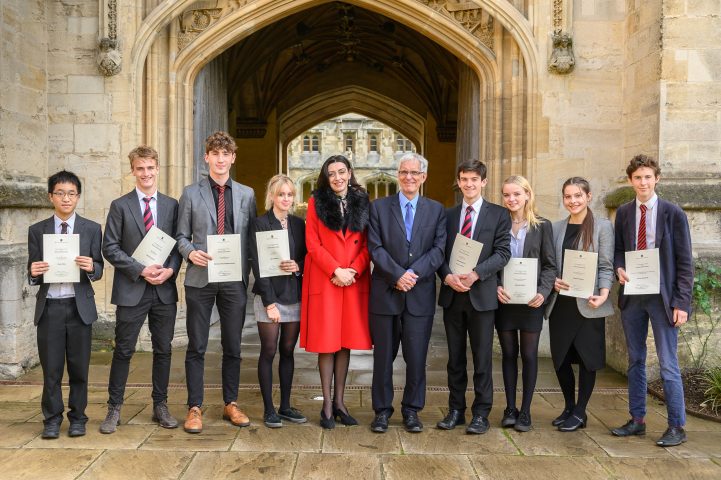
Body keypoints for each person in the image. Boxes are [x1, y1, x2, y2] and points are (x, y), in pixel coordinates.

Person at [176, 131, 257, 433]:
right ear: (206, 157)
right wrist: (190, 252)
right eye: (215, 154)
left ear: (233, 158)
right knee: (197, 345)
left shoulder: (247, 194)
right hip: (200, 278)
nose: (221, 159)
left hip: (234, 279)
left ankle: (231, 404)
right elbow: (181, 236)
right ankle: (194, 407)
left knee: (233, 345)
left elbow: (251, 236)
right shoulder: (190, 193)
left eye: (226, 154)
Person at [611, 154, 693, 447]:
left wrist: (682, 302)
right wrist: (619, 267)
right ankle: (637, 420)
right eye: (637, 178)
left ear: (656, 178)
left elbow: (685, 262)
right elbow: (619, 250)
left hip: (663, 298)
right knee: (636, 360)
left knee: (668, 363)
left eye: (648, 177)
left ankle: (676, 426)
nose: (643, 182)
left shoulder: (673, 213)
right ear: (630, 181)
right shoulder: (623, 213)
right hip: (633, 296)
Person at [99, 146, 181, 434]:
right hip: (132, 287)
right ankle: (114, 408)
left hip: (163, 289)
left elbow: (178, 244)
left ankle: (161, 405)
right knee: (123, 350)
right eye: (140, 168)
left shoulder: (172, 206)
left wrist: (170, 269)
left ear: (157, 169)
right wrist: (140, 269)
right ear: (133, 171)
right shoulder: (120, 205)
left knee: (164, 350)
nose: (145, 173)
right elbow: (109, 247)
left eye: (150, 168)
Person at [368, 152, 447, 433]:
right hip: (385, 295)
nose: (409, 177)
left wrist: (412, 275)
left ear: (423, 177)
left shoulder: (436, 210)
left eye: (415, 173)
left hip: (419, 295)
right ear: (397, 175)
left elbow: (438, 250)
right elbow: (375, 248)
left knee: (416, 358)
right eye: (404, 172)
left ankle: (412, 410)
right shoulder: (378, 207)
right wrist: (397, 275)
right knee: (382, 359)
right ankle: (381, 411)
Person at [27, 170, 104, 439]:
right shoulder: (37, 231)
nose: (66, 198)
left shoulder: (92, 229)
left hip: (79, 306)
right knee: (51, 369)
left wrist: (92, 266)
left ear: (78, 197)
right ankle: (51, 419)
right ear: (51, 196)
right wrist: (33, 271)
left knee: (79, 368)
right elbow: (32, 270)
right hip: (49, 308)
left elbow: (100, 268)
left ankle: (78, 418)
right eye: (60, 193)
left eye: (71, 193)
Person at [436, 160, 511, 434]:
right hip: (453, 295)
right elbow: (439, 254)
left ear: (484, 182)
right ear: (458, 182)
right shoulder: (447, 215)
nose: (469, 184)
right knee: (454, 358)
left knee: (482, 358)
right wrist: (447, 276)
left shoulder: (499, 215)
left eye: (474, 179)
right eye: (464, 179)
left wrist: (477, 274)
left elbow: (503, 252)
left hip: (482, 295)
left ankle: (481, 413)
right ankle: (455, 410)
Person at [300, 155, 371, 429]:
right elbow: (312, 243)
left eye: (342, 172)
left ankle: (341, 403)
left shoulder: (363, 200)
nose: (338, 177)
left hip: (353, 280)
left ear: (350, 173)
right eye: (332, 174)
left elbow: (367, 243)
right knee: (327, 342)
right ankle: (327, 404)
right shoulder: (315, 202)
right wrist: (335, 270)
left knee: (345, 342)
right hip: (327, 280)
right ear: (326, 177)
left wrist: (353, 269)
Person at [546, 177, 614, 431]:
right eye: (568, 196)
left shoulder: (602, 227)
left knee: (588, 360)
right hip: (561, 305)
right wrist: (552, 281)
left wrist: (604, 293)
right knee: (561, 359)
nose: (572, 201)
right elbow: (549, 265)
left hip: (589, 302)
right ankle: (568, 406)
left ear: (588, 197)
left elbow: (606, 264)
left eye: (577, 196)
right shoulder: (555, 228)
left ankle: (581, 411)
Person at [495, 175, 556, 432]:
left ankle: (526, 411)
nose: (512, 199)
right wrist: (495, 286)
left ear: (527, 195)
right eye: (507, 195)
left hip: (531, 301)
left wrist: (543, 292)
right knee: (508, 354)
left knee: (529, 355)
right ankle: (510, 408)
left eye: (516, 194)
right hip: (505, 300)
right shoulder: (497, 223)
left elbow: (550, 265)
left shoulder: (542, 226)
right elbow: (491, 259)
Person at [249, 174, 307, 428]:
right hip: (268, 296)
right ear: (272, 196)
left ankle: (285, 405)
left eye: (290, 194)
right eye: (281, 194)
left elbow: (307, 257)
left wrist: (298, 266)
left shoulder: (298, 224)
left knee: (287, 350)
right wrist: (269, 303)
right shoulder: (259, 224)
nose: (286, 198)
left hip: (293, 295)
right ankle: (269, 409)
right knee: (269, 350)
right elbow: (258, 266)